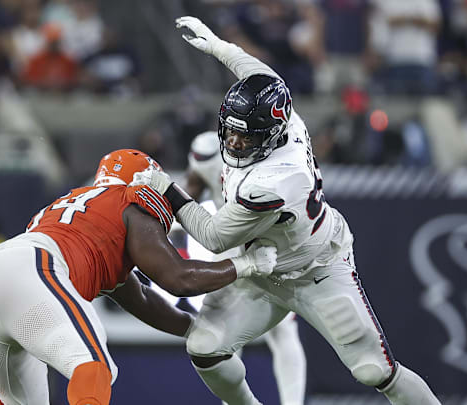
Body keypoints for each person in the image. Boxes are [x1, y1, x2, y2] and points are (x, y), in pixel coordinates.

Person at [133, 16, 442, 405]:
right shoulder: (283, 117)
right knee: (205, 347)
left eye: (244, 136)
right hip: (261, 270)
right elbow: (260, 74)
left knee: (375, 371)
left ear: (270, 135)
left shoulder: (277, 179)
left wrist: (166, 188)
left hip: (316, 272)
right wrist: (216, 45)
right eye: (230, 130)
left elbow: (212, 235)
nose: (234, 141)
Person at [0, 149, 277, 405]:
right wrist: (246, 264)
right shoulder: (130, 200)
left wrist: (194, 328)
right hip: (31, 268)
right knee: (94, 366)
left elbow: (141, 298)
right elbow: (179, 278)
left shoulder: (75, 204)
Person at [183, 131, 307, 405]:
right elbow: (189, 196)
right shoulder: (209, 149)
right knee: (229, 333)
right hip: (244, 242)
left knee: (277, 330)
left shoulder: (273, 146)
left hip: (263, 240)